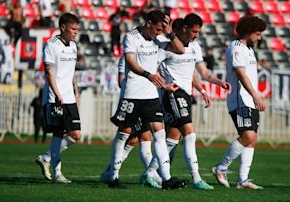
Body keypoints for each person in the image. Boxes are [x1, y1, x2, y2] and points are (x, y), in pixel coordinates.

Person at [143, 15, 231, 190]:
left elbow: (200, 74)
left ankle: (149, 173)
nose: (196, 35)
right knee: (190, 132)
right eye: (194, 31)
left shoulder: (195, 47)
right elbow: (152, 68)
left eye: (198, 32)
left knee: (172, 139)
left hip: (186, 94)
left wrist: (210, 87)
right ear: (184, 28)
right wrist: (164, 85)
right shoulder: (166, 47)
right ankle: (197, 178)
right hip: (174, 94)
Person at [105, 10, 187, 189]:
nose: (159, 32)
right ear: (148, 23)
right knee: (124, 134)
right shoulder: (132, 37)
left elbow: (180, 50)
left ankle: (166, 178)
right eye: (157, 28)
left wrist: (169, 31)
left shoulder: (159, 40)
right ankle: (113, 176)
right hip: (132, 94)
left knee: (160, 133)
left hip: (151, 96)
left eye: (161, 30)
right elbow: (130, 61)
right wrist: (148, 75)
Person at [211, 16, 267, 189]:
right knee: (247, 136)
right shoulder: (236, 48)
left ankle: (243, 180)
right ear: (248, 32)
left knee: (252, 139)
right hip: (240, 99)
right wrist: (255, 95)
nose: (260, 38)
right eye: (257, 34)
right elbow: (241, 74)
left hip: (249, 100)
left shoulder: (248, 49)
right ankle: (221, 167)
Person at [99, 56, 162, 187]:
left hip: (146, 101)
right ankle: (152, 176)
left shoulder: (149, 54)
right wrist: (138, 84)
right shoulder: (127, 58)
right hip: (132, 101)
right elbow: (121, 81)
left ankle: (109, 172)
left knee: (140, 139)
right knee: (129, 135)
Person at [35, 13, 80, 184]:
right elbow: (49, 72)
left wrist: (75, 92)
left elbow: (72, 72)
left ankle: (45, 157)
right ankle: (57, 173)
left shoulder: (74, 46)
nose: (76, 32)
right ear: (63, 27)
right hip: (56, 97)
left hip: (69, 96)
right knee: (58, 133)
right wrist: (57, 94)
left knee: (75, 134)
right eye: (73, 29)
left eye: (77, 29)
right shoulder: (51, 45)